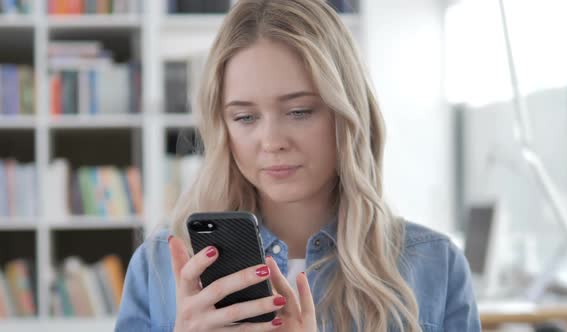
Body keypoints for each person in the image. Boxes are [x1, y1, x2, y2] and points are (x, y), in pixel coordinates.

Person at [115, 0, 481, 331]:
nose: (272, 141)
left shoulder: (434, 265)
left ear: (347, 113)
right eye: (244, 117)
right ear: (222, 126)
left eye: (299, 111)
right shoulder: (159, 268)